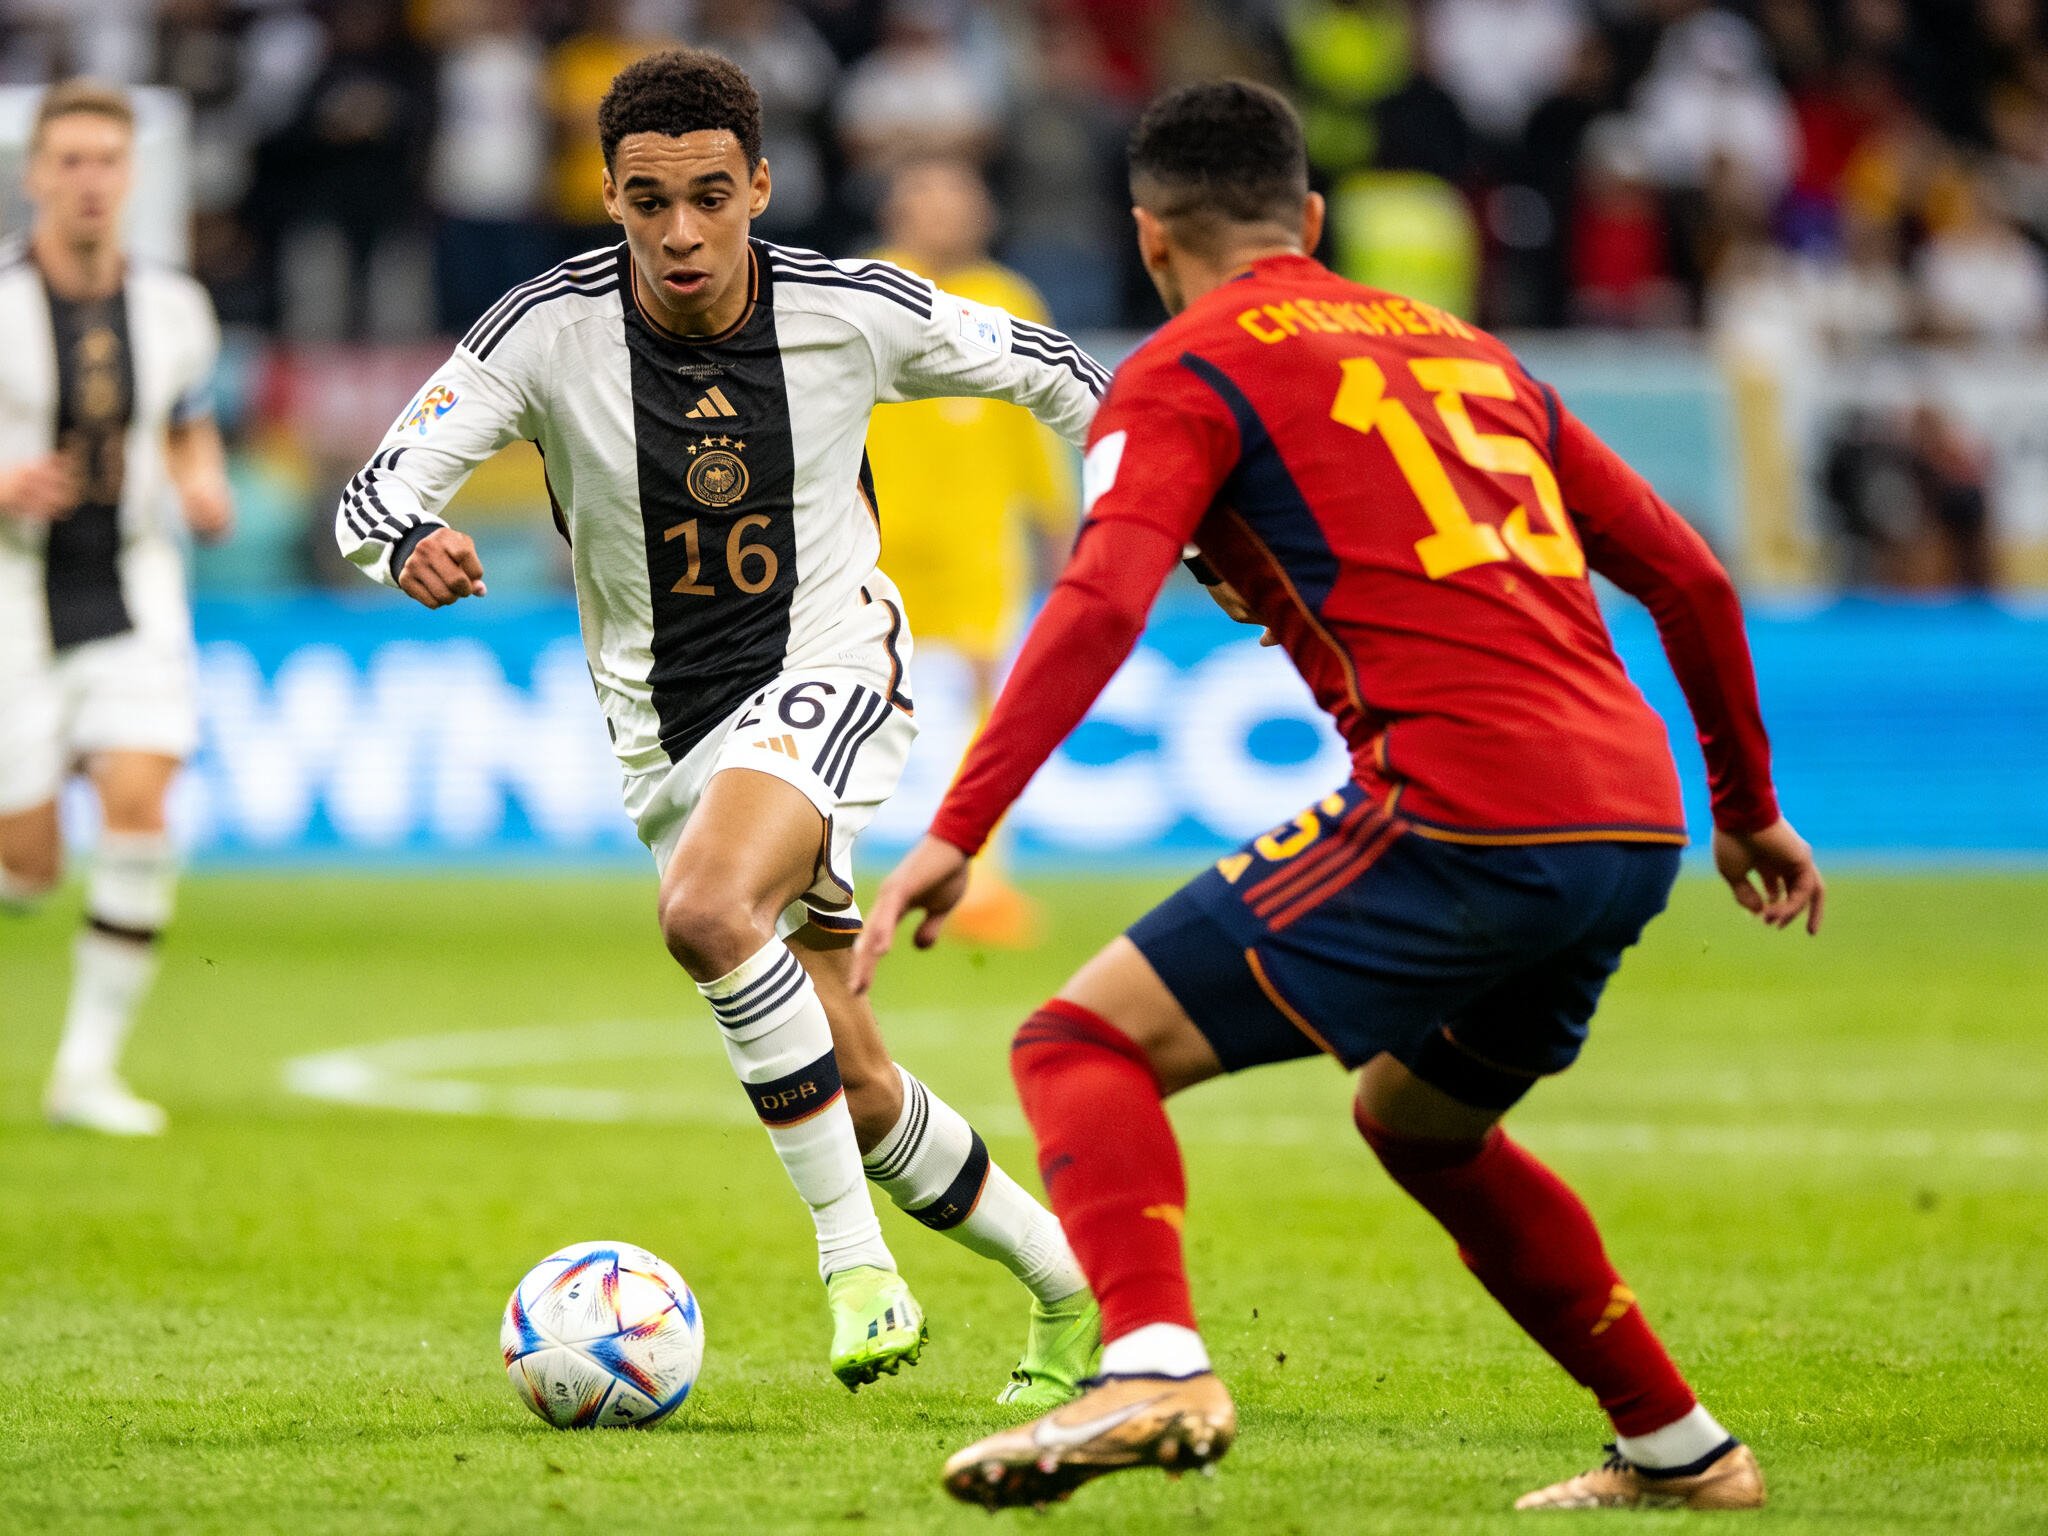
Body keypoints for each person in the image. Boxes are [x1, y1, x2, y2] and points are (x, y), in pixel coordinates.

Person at [856, 79, 1824, 1510]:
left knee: (1077, 1045)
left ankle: (1154, 1368)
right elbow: (1691, 575)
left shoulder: (1186, 369)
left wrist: (959, 824)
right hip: (1634, 817)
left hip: (1463, 807)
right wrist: (1746, 806)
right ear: (1309, 219)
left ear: (1146, 238)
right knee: (1420, 1121)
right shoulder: (1472, 352)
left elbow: (1102, 596)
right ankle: (1682, 1450)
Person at [331, 49, 1110, 1401]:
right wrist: (409, 540)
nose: (680, 232)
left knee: (703, 913)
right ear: (613, 200)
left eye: (708, 195)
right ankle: (1073, 1294)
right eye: (646, 202)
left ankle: (853, 1263)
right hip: (662, 735)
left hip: (834, 660)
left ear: (758, 184)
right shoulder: (542, 331)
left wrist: (1162, 506)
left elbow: (1054, 370)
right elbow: (376, 489)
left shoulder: (851, 309)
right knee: (853, 1083)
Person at [0, 80, 233, 1136]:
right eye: (72, 161)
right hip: (13, 590)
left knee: (142, 805)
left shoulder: (176, 307)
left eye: (108, 161)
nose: (91, 181)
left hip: (134, 581)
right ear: (34, 174)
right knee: (28, 866)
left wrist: (202, 480)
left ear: (131, 177)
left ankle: (85, 1073)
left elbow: (185, 420)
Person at [864, 157, 1076, 946]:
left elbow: (1034, 421)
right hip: (871, 536)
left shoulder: (1011, 299)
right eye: (929, 195)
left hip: (978, 536)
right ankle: (818, 869)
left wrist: (1055, 522)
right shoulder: (865, 291)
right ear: (897, 209)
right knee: (847, 695)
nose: (948, 214)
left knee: (991, 706)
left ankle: (981, 881)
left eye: (961, 196)